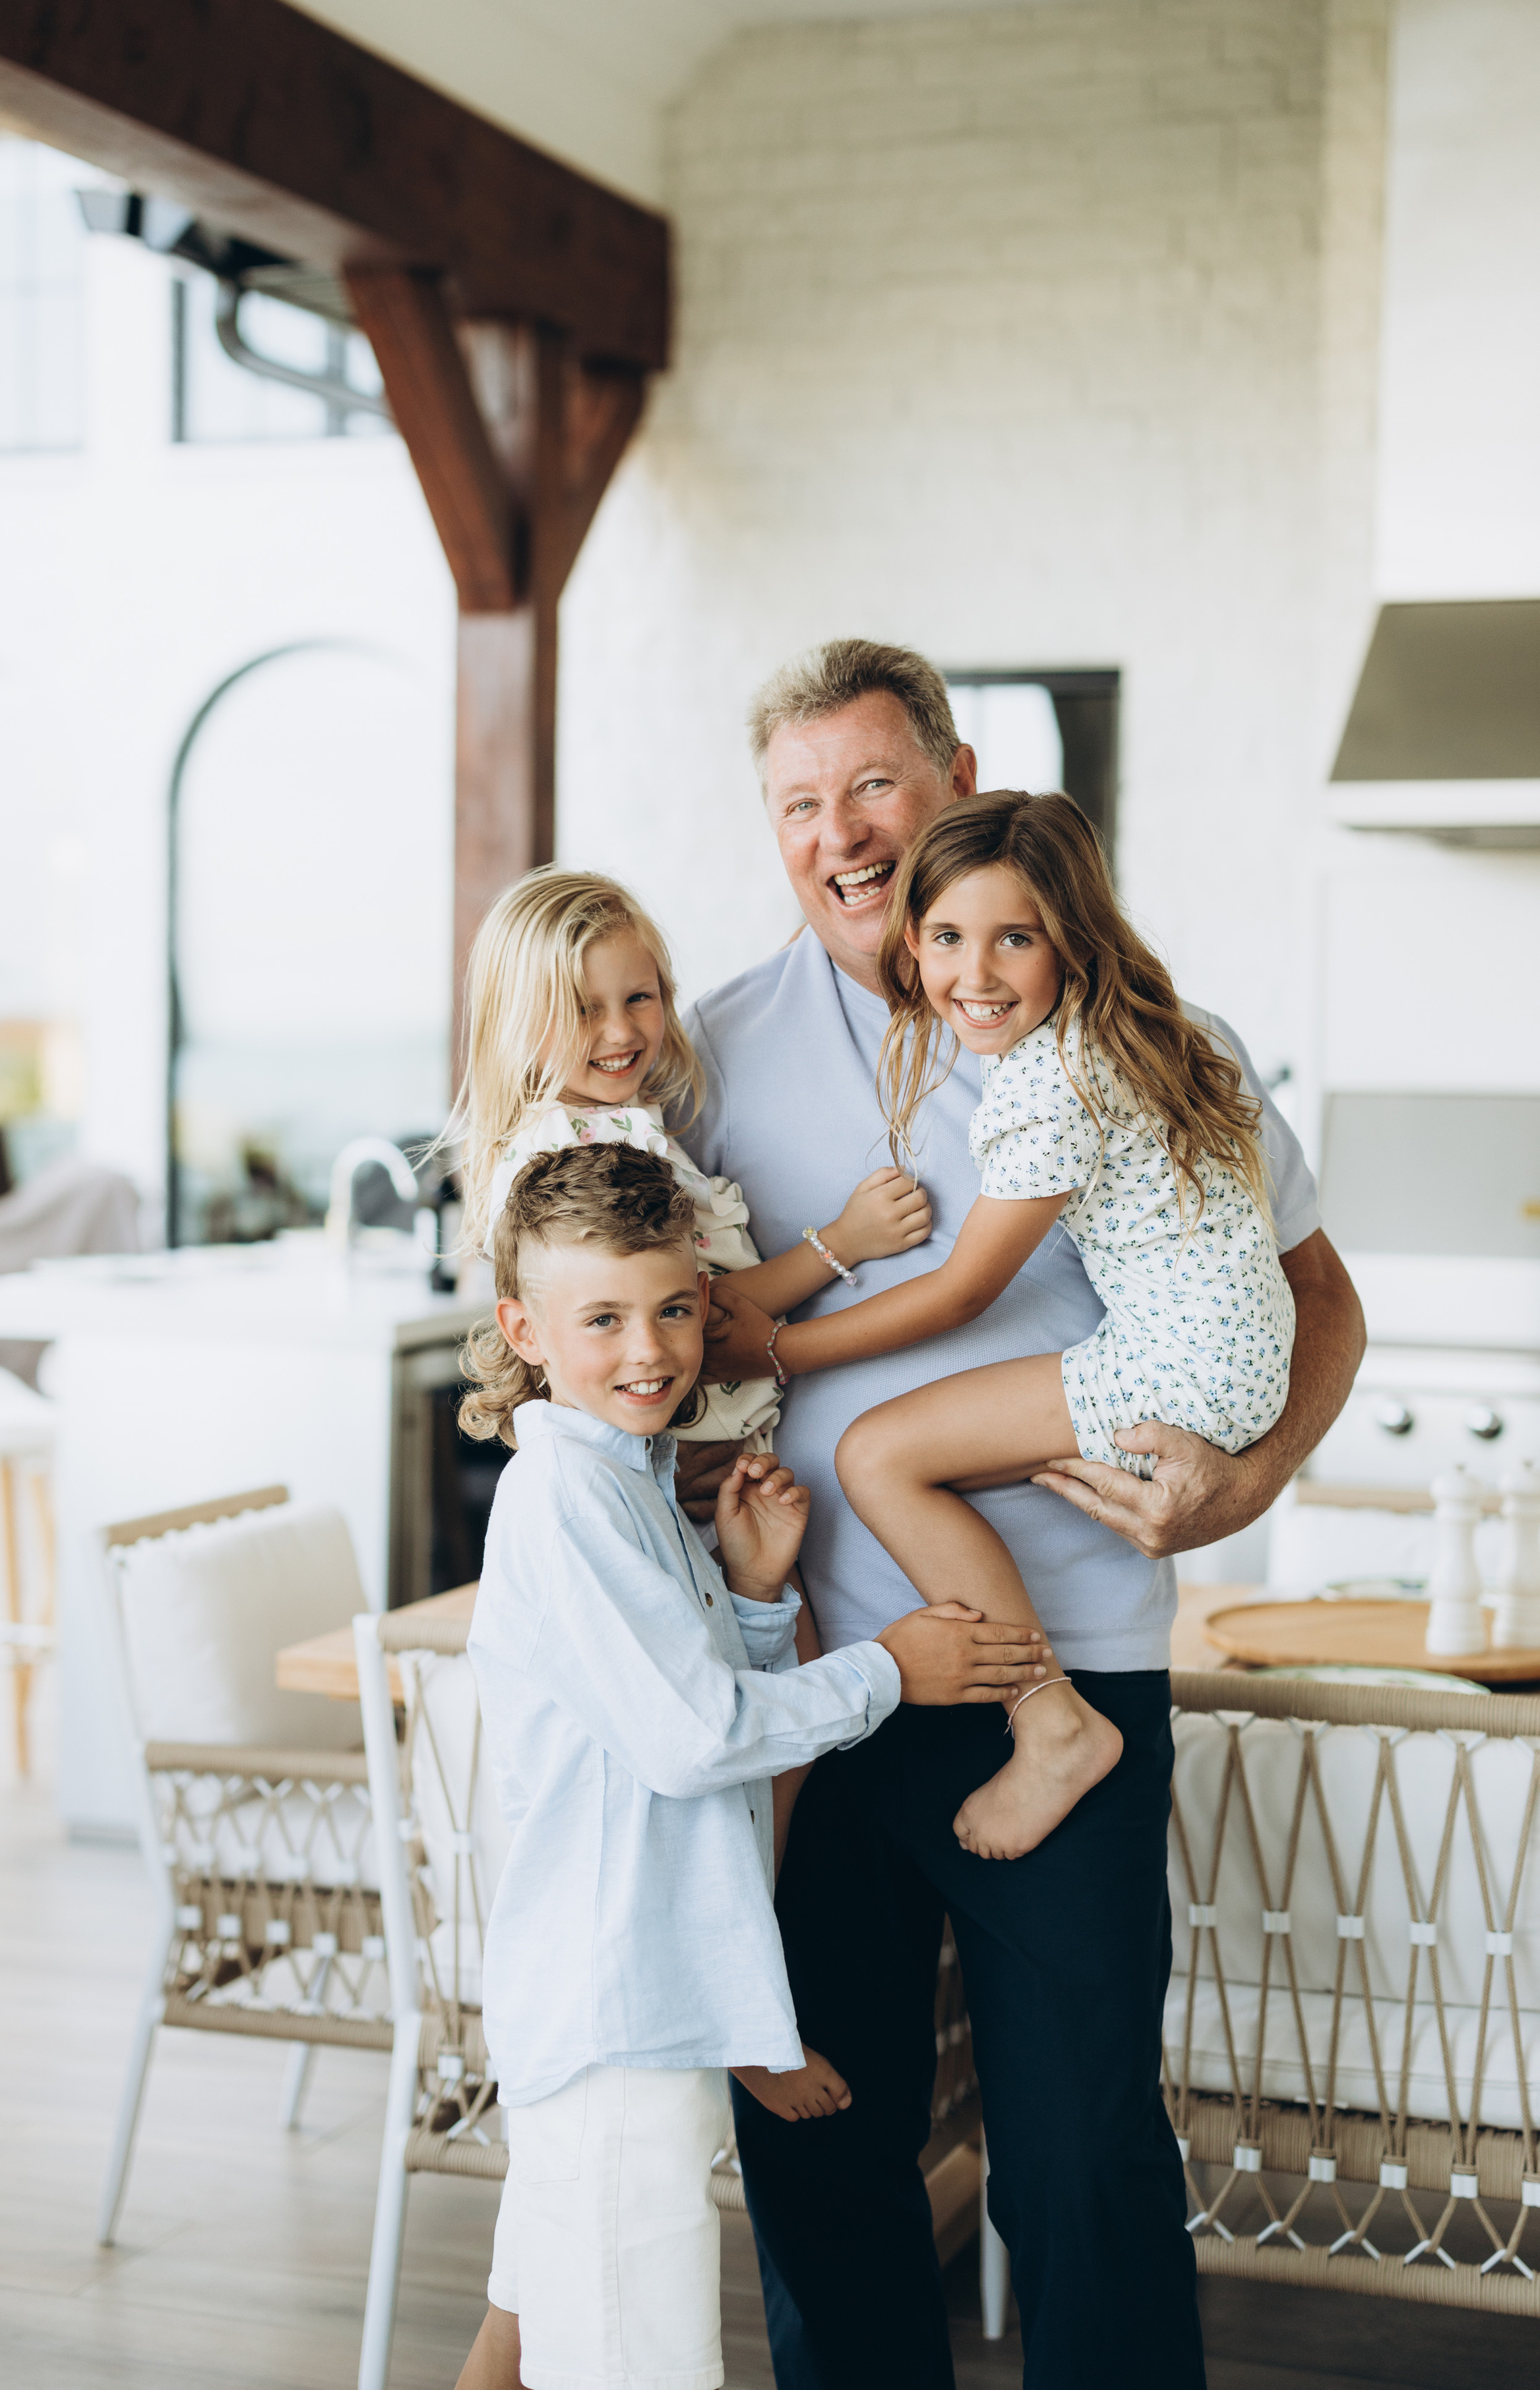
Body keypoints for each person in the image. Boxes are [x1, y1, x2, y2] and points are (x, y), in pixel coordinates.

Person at [675, 639, 1365, 2390]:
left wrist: (1251, 1478)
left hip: (1066, 1672)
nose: (840, 834)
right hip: (813, 1684)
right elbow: (631, 1317)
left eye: (873, 786)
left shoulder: (1143, 1037)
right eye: (798, 804)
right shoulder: (709, 1055)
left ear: (958, 781)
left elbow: (1321, 1301)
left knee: (1076, 2160)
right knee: (824, 2149)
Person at [451, 1143, 1045, 2390]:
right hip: (617, 2016)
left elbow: (681, 1708)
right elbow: (695, 1741)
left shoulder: (626, 1484)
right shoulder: (567, 1499)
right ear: (524, 1331)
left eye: (675, 1310)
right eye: (604, 1319)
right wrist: (890, 1670)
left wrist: (760, 1596)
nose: (650, 1351)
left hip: (621, 2002)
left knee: (533, 2334)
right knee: (636, 2363)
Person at [703, 788, 1295, 1864]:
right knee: (922, 1452)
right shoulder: (1135, 1035)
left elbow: (964, 1292)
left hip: (1181, 1372)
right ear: (911, 942)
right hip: (1226, 1353)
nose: (974, 975)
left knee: (880, 1455)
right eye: (946, 938)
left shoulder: (1049, 1082)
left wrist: (778, 1349)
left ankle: (1051, 1722)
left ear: (1071, 940)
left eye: (1014, 938)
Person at [452, 863, 933, 1457]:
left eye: (639, 998)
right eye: (583, 1010)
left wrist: (822, 935)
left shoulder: (620, 1119)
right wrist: (842, 1242)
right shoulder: (572, 1157)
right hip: (684, 1452)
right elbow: (694, 1309)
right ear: (516, 1022)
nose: (620, 1031)